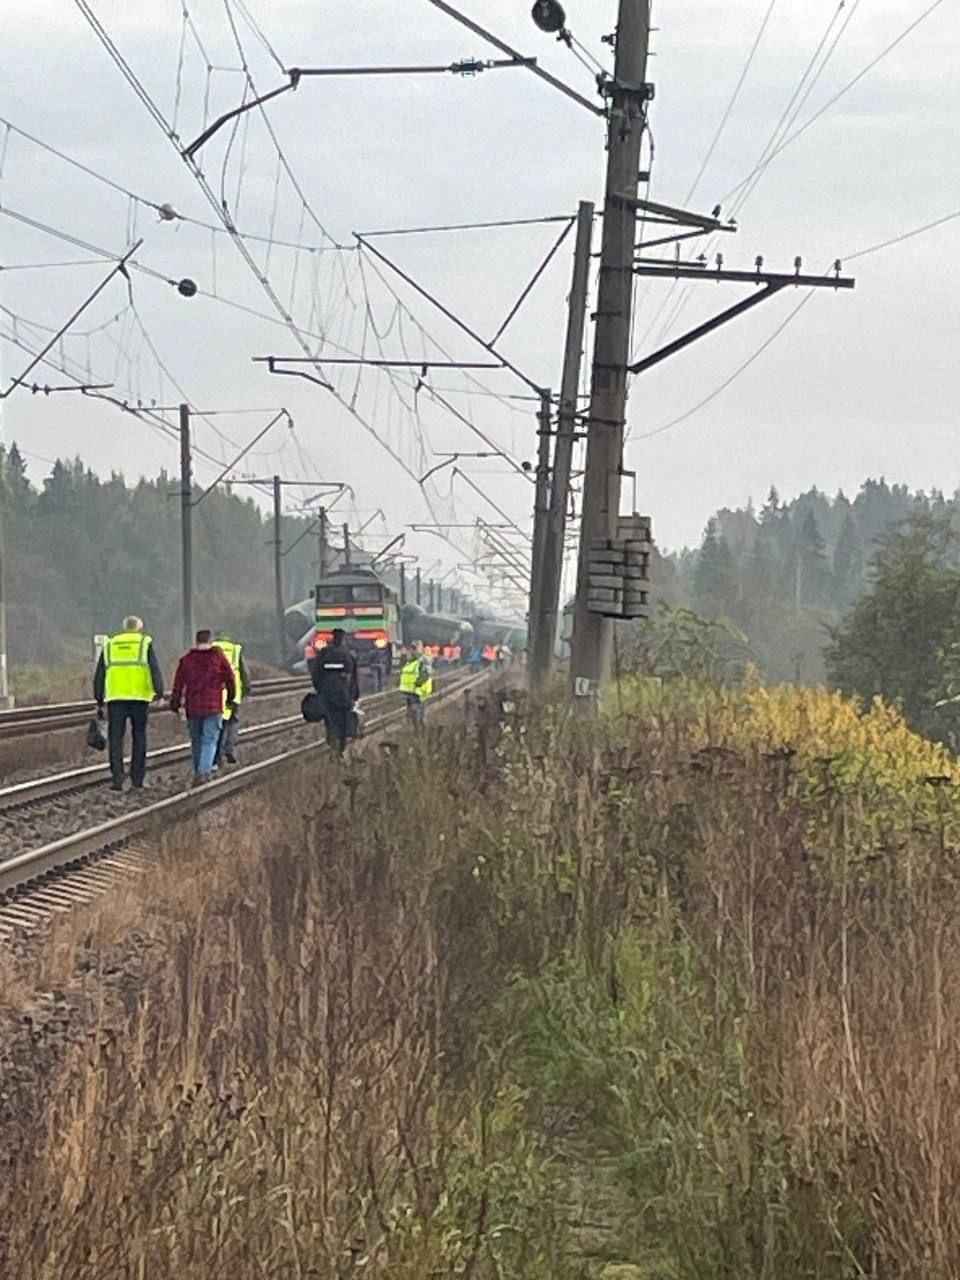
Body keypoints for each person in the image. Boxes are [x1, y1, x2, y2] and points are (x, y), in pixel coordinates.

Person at [93, 615, 165, 792]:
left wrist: (99, 698)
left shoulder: (110, 644)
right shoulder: (144, 643)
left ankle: (117, 778)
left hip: (116, 698)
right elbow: (154, 668)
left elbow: (100, 673)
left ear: (125, 627)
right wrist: (159, 693)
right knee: (139, 736)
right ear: (139, 628)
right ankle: (137, 778)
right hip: (139, 697)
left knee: (115, 738)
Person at [170, 629, 237, 786]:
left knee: (196, 741)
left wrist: (175, 703)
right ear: (210, 641)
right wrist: (231, 698)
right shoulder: (217, 657)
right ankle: (203, 773)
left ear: (196, 642)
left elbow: (178, 684)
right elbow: (230, 678)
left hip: (193, 707)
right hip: (213, 706)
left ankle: (198, 771)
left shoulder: (187, 660)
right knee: (209, 740)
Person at [311, 627, 360, 755]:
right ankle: (341, 749)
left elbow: (315, 675)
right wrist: (354, 696)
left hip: (327, 694)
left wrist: (320, 690)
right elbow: (353, 678)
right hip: (343, 696)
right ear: (343, 639)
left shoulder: (323, 654)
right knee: (343, 722)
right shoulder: (348, 655)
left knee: (330, 720)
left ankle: (332, 743)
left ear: (332, 638)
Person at [213, 630, 250, 767]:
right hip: (233, 692)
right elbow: (244, 672)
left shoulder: (211, 649)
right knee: (232, 721)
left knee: (218, 724)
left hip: (215, 692)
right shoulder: (235, 649)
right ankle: (229, 749)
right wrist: (246, 688)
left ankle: (217, 755)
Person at [399, 642, 433, 728]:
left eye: (414, 649)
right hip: (408, 691)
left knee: (417, 711)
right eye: (410, 649)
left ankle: (419, 728)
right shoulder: (409, 661)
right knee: (410, 711)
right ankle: (413, 727)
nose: (411, 651)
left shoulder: (422, 660)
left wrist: (418, 683)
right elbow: (404, 672)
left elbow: (426, 674)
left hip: (417, 691)